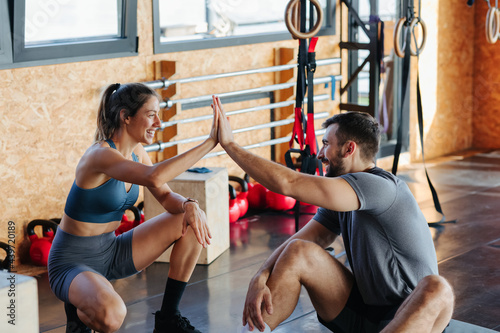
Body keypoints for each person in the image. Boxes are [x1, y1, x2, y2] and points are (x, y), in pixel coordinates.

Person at [211, 95, 455, 333]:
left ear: (349, 149)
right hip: (363, 314)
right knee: (298, 250)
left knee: (438, 287)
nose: (319, 154)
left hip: (410, 319)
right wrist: (260, 275)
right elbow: (305, 241)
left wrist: (230, 145)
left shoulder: (379, 186)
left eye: (326, 144)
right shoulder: (343, 198)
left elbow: (290, 183)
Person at [48, 83, 219, 333]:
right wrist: (210, 142)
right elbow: (154, 177)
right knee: (112, 315)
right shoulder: (100, 155)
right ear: (126, 117)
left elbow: (166, 196)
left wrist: (189, 204)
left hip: (112, 249)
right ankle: (78, 313)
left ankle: (168, 319)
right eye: (151, 115)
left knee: (191, 220)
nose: (158, 123)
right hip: (72, 262)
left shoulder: (138, 152)